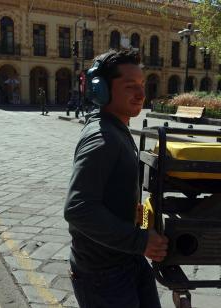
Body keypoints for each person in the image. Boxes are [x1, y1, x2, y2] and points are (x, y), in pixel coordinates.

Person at [64, 49, 168, 308]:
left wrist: (142, 222)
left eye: (142, 85)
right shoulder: (102, 139)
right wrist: (140, 241)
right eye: (130, 86)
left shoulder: (116, 128)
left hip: (126, 259)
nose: (142, 94)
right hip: (104, 276)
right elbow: (78, 209)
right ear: (100, 89)